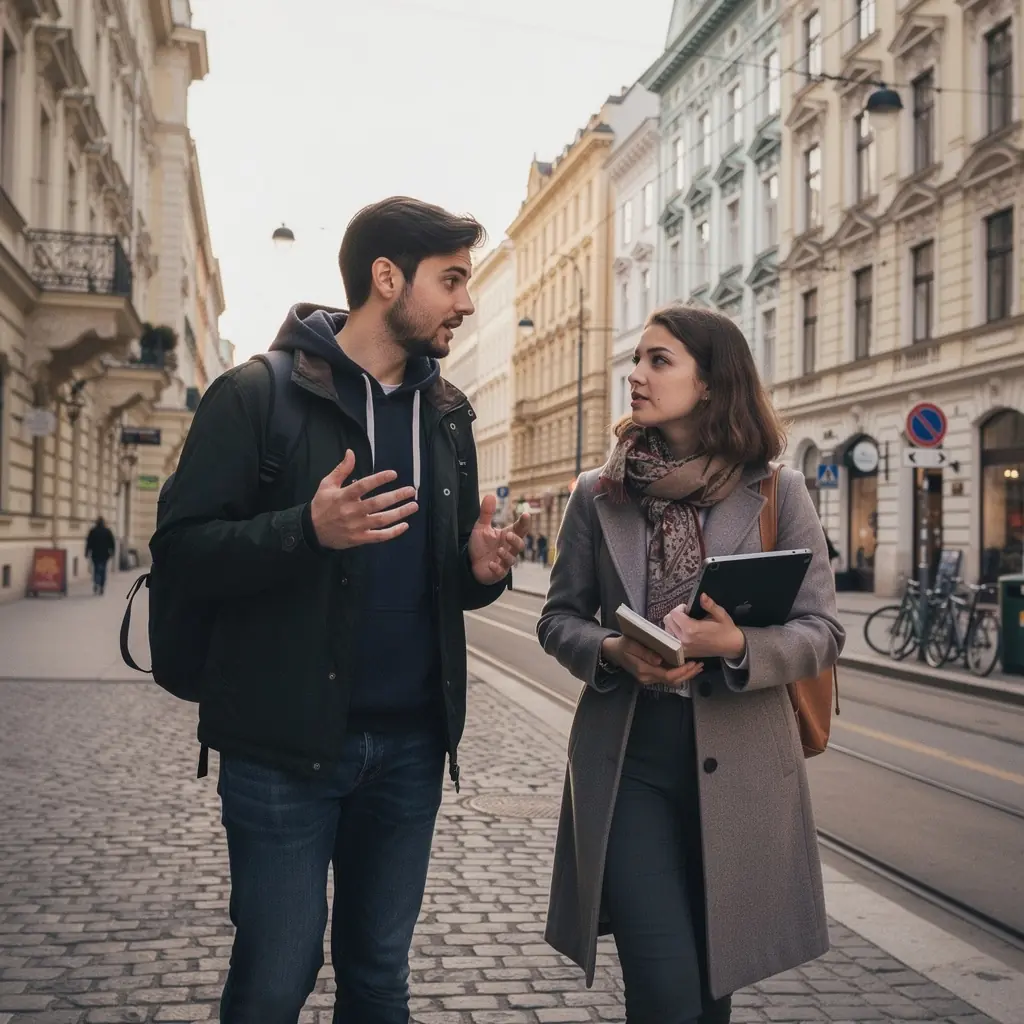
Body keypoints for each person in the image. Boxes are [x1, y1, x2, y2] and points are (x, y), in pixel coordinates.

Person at [151, 196, 528, 1024]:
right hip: (284, 749)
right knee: (272, 983)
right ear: (386, 278)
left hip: (412, 750)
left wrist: (478, 571)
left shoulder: (447, 413)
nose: (468, 301)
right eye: (453, 280)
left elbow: (441, 584)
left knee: (379, 979)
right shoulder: (256, 395)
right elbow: (180, 551)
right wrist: (306, 530)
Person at [538, 306, 845, 1024]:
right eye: (636, 360)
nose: (635, 375)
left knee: (711, 998)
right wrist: (612, 651)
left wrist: (735, 647)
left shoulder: (776, 491)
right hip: (629, 768)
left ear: (709, 383)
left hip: (741, 777)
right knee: (667, 994)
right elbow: (557, 620)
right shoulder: (598, 494)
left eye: (658, 361)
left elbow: (823, 631)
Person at [84, 516, 115, 595]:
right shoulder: (107, 531)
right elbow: (112, 543)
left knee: (96, 569)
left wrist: (87, 552)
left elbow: (89, 542)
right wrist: (112, 552)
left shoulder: (93, 531)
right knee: (103, 570)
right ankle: (102, 586)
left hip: (95, 554)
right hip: (105, 554)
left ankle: (96, 583)